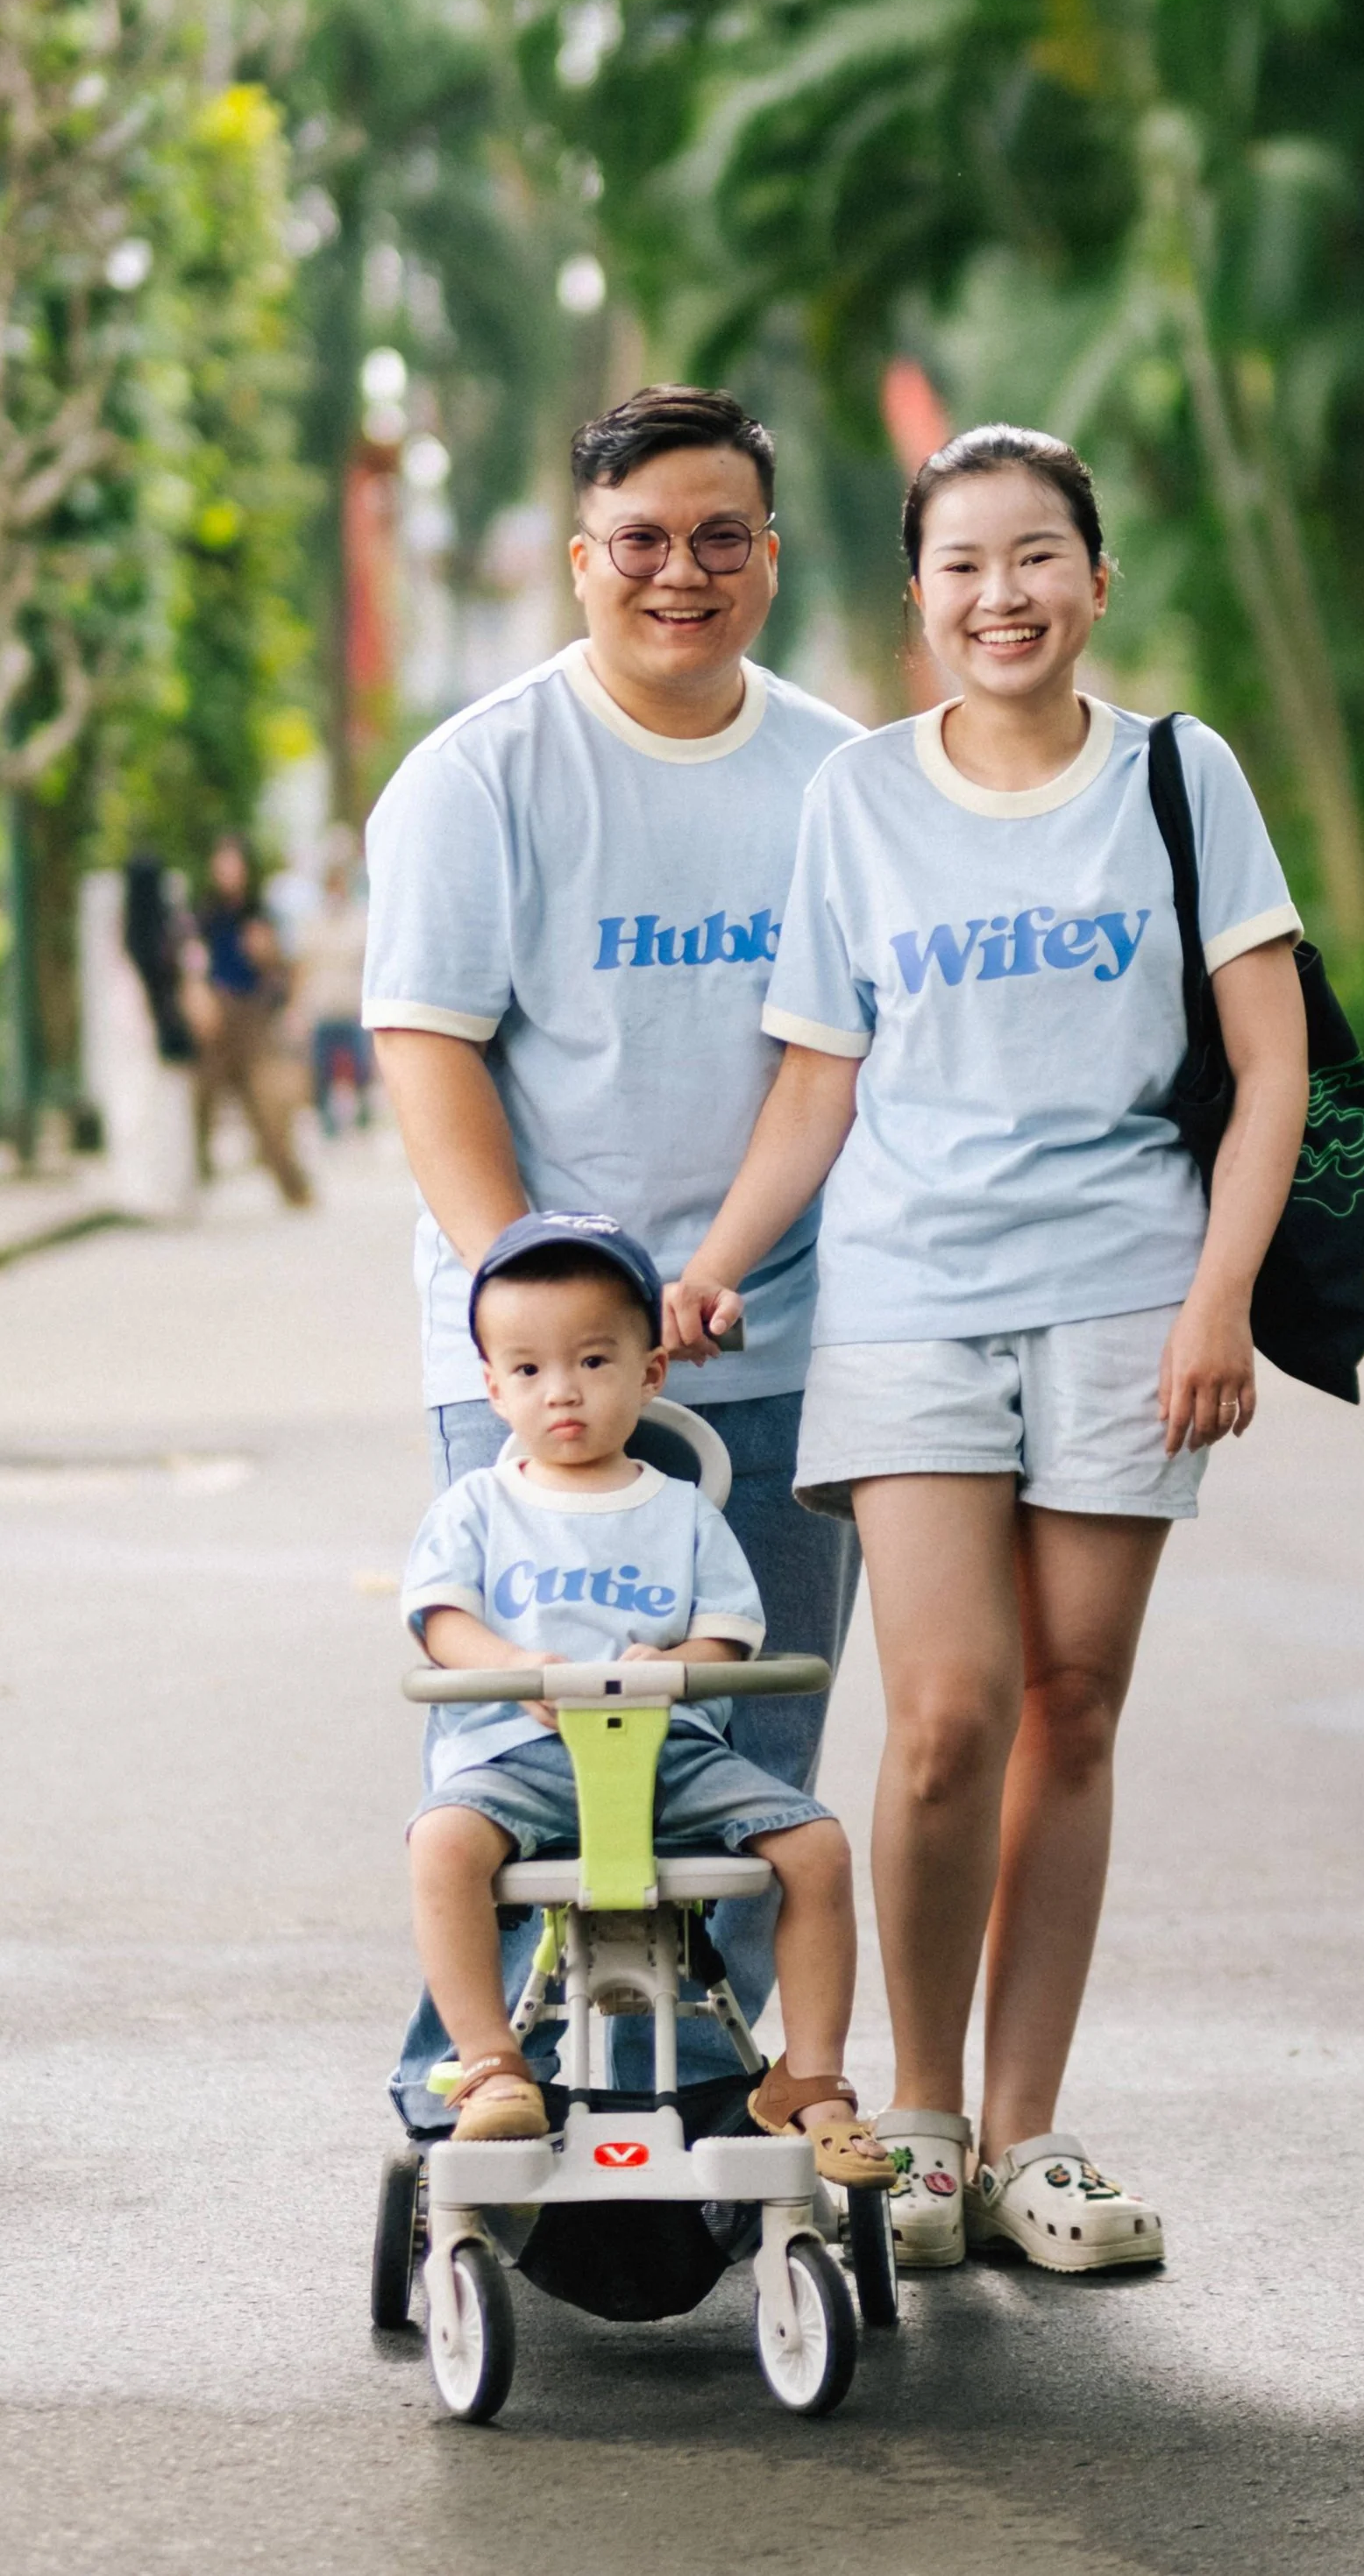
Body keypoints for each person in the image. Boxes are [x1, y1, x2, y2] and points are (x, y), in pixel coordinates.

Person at [670, 423, 1310, 2275]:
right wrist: (713, 1266)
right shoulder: (859, 796)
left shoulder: (1179, 777)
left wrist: (1217, 1299)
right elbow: (820, 1075)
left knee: (1074, 1705)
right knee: (948, 1713)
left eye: (1035, 558)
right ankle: (923, 2119)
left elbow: (1269, 1062)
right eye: (962, 564)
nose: (1000, 596)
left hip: (1127, 1298)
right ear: (919, 595)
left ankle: (1030, 2134)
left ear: (1093, 583)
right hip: (909, 1299)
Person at [362, 384, 862, 2129]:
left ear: (769, 559)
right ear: (581, 562)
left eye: (720, 537)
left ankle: (699, 2097)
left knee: (744, 1746)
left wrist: (712, 1271)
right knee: (513, 1745)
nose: (680, 572)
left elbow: (826, 1061)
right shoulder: (478, 775)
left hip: (772, 1333)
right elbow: (427, 1050)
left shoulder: (835, 777)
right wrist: (546, 1298)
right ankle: (476, 2091)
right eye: (639, 540)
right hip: (534, 1362)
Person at [404, 1210, 892, 2189]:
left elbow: (730, 1634)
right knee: (443, 1842)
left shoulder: (682, 1511)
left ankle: (811, 2078)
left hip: (672, 1752)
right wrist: (515, 1663)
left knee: (816, 1847)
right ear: (493, 1387)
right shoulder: (477, 1509)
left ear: (649, 1372)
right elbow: (440, 1621)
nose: (563, 1391)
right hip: (523, 1754)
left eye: (593, 1361)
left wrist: (674, 1662)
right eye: (530, 1369)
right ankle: (492, 2066)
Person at [190, 834, 313, 1209]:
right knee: (201, 1101)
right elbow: (193, 963)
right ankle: (192, 1182)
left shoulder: (261, 913)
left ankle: (295, 1188)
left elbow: (289, 965)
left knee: (268, 1107)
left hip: (254, 1013)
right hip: (218, 1013)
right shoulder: (205, 914)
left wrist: (267, 954)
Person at [294, 825, 373, 1134]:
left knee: (360, 1065)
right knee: (321, 1070)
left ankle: (363, 1113)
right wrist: (297, 1009)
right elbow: (303, 966)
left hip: (353, 1006)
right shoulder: (312, 922)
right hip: (322, 1006)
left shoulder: (360, 919)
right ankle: (327, 1122)